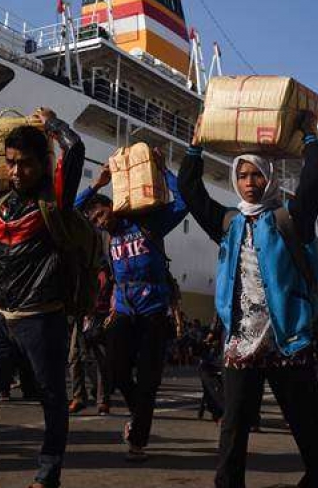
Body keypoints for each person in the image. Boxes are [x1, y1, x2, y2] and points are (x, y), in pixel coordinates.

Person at [178, 111, 318, 488]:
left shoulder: (290, 220)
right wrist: (194, 147)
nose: (249, 183)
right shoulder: (230, 223)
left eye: (257, 174)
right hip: (242, 342)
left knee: (305, 420)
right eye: (243, 175)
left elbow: (314, 182)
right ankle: (228, 483)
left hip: (287, 340)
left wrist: (310, 139)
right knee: (233, 424)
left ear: (271, 177)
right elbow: (190, 191)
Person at [0, 108, 84, 488]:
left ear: (42, 164)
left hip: (42, 318)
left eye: (24, 164)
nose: (16, 171)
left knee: (53, 400)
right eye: (10, 163)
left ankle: (47, 474)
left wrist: (54, 124)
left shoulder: (54, 200)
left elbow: (76, 150)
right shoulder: (0, 207)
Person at [74, 150, 188, 461]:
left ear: (113, 207)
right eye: (95, 220)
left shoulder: (146, 226)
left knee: (150, 379)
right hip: (124, 309)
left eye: (102, 213)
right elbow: (69, 211)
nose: (101, 220)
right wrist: (96, 184)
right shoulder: (105, 239)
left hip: (153, 312)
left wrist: (164, 169)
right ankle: (140, 414)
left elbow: (182, 202)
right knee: (115, 370)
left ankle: (137, 441)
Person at [68, 263, 112, 416]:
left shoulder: (104, 269)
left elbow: (106, 290)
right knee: (74, 357)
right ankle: (79, 397)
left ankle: (103, 401)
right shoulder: (77, 265)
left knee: (101, 360)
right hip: (81, 315)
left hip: (99, 317)